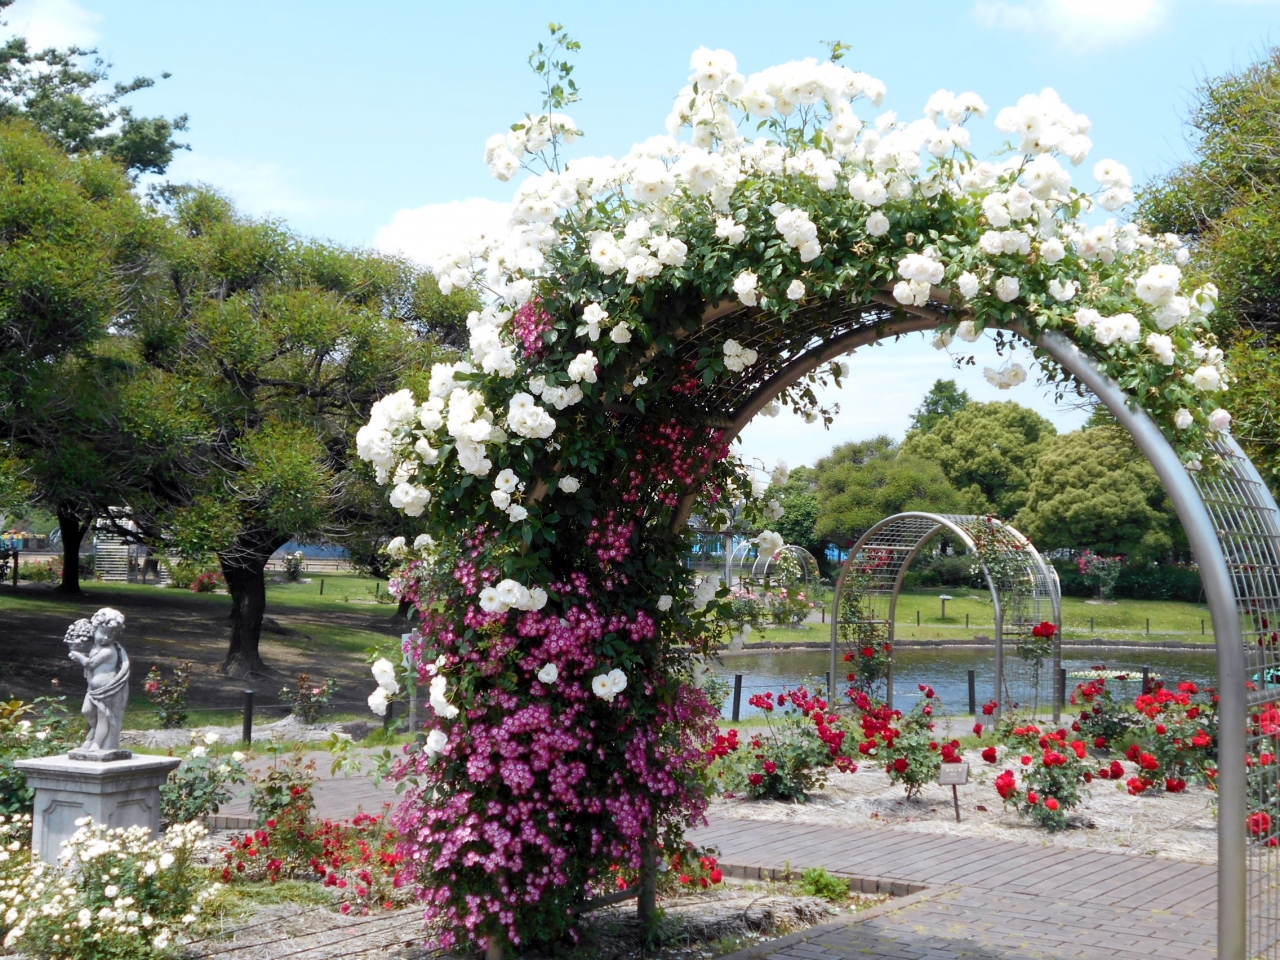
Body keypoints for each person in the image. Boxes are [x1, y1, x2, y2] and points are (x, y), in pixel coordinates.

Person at [67, 607, 131, 756]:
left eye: (111, 635)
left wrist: (78, 656)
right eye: (103, 633)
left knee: (103, 716)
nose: (106, 638)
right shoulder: (95, 647)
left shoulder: (108, 651)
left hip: (106, 690)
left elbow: (90, 664)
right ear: (94, 629)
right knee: (86, 711)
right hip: (93, 689)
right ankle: (96, 731)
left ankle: (97, 743)